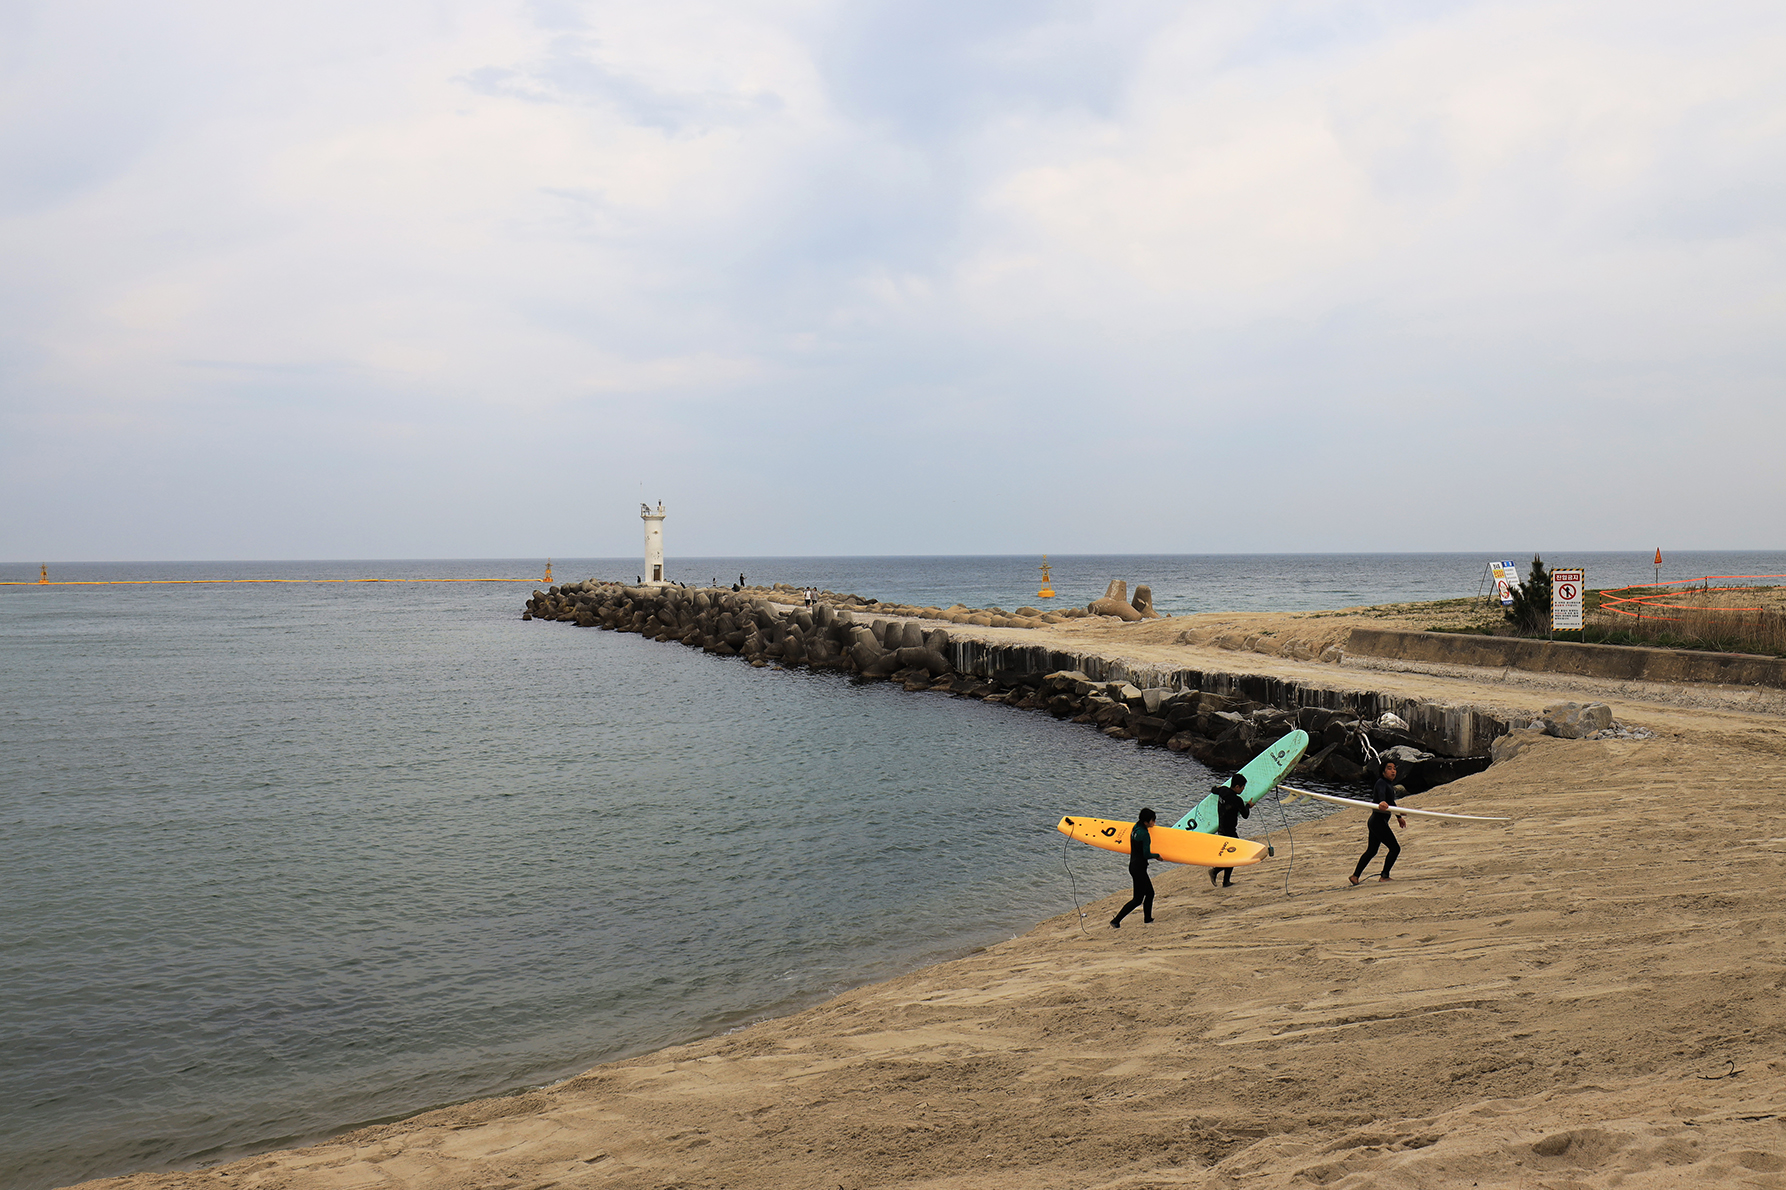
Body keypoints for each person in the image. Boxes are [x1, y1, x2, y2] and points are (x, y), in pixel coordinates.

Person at [1349, 761, 1409, 885]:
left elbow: (1391, 803)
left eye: (1394, 768)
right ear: (1383, 772)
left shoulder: (1389, 784)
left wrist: (1398, 817)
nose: (1393, 771)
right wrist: (1381, 802)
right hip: (1378, 822)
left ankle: (1355, 876)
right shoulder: (1381, 782)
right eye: (1389, 768)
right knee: (1395, 848)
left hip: (1375, 821)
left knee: (1372, 850)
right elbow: (1381, 797)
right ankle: (1384, 876)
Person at [1110, 807, 1162, 928]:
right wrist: (1157, 856)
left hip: (1134, 866)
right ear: (1146, 822)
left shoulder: (1135, 828)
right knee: (1137, 899)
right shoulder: (1144, 834)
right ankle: (1116, 921)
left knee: (1150, 893)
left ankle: (1148, 919)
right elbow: (1146, 854)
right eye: (1153, 820)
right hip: (1139, 868)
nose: (1154, 823)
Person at [1209, 773, 1249, 887]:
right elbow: (1245, 815)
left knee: (1230, 854)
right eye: (1242, 787)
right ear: (1237, 787)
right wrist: (1248, 805)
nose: (1243, 789)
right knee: (1234, 855)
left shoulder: (1223, 791)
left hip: (1221, 829)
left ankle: (1225, 881)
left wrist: (1217, 788)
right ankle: (1216, 872)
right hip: (1230, 831)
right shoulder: (1237, 800)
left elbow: (1213, 790)